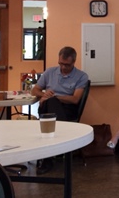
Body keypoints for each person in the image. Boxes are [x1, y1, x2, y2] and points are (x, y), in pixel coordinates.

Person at [30, 46, 89, 174]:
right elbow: (34, 90)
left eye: (66, 65)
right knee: (49, 103)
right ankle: (61, 147)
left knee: (50, 105)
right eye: (61, 64)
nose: (63, 67)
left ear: (73, 62)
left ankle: (48, 158)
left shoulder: (81, 76)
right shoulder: (50, 72)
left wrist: (54, 97)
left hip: (67, 109)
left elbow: (75, 100)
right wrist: (43, 94)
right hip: (47, 107)